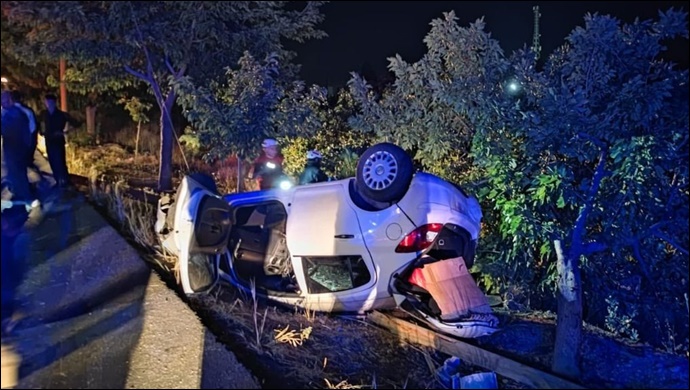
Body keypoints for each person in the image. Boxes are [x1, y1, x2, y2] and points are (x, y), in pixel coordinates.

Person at [40, 93, 81, 188]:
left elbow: (76, 123)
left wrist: (65, 132)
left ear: (54, 103)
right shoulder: (43, 114)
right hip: (49, 140)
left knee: (60, 161)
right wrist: (41, 132)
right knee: (52, 160)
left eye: (50, 102)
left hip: (58, 140)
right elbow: (38, 124)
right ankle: (58, 180)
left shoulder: (61, 115)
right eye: (47, 102)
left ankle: (65, 181)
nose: (48, 104)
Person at [1, 90, 33, 202]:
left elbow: (7, 130)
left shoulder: (14, 114)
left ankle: (24, 198)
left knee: (18, 174)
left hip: (16, 150)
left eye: (4, 101)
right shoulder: (15, 113)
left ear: (9, 100)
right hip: (16, 150)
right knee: (16, 174)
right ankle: (21, 196)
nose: (2, 104)